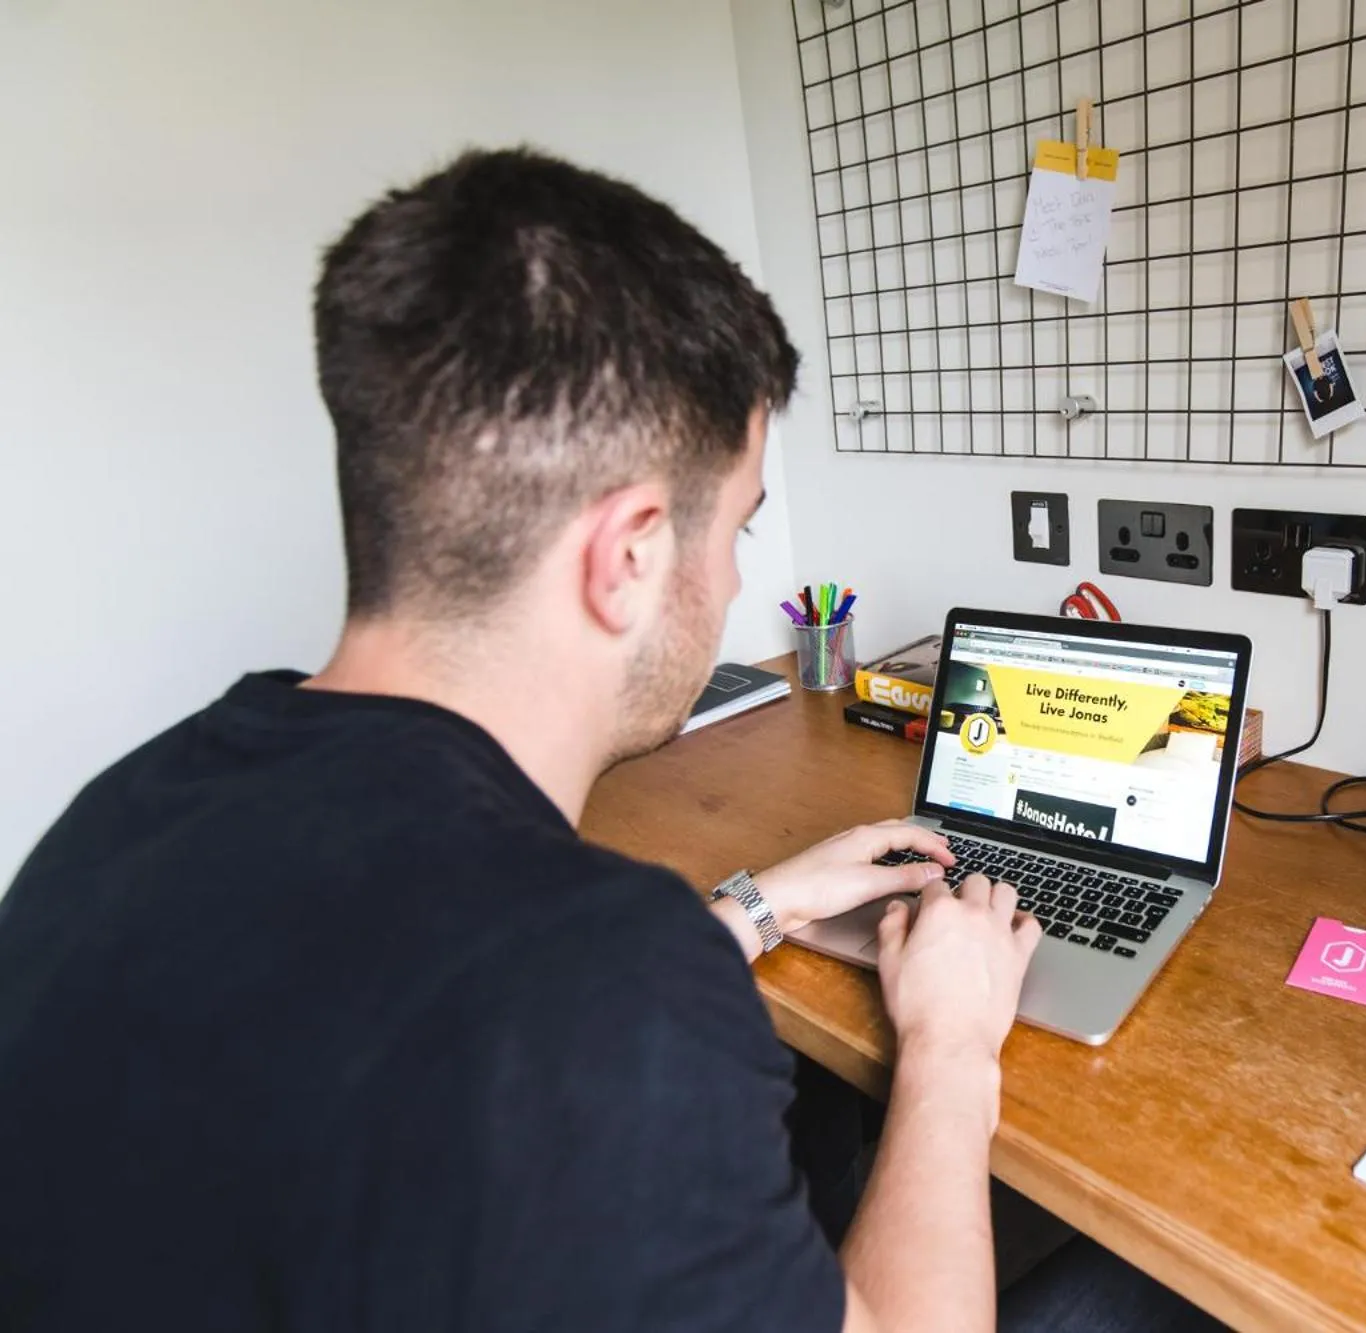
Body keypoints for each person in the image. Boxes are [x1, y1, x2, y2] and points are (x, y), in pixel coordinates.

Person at [0, 149, 1220, 1332]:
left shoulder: (123, 812)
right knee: (1179, 1283)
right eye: (737, 530)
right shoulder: (597, 990)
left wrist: (758, 907)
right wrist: (950, 1043)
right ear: (629, 552)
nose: (732, 581)